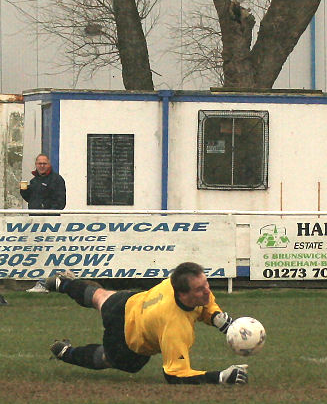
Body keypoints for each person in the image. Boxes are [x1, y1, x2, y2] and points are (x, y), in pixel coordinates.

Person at [46, 262, 249, 385]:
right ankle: (66, 353)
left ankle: (62, 283)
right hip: (126, 341)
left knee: (100, 296)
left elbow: (205, 302)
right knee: (109, 359)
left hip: (129, 302)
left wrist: (217, 318)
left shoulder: (177, 280)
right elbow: (175, 375)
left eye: (206, 284)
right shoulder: (175, 328)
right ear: (183, 294)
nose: (207, 291)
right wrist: (221, 377)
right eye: (200, 289)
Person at [21, 154, 67, 293]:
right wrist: (24, 192)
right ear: (36, 164)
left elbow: (60, 202)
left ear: (49, 164)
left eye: (44, 163)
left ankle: (46, 282)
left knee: (49, 252)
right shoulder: (34, 181)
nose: (42, 166)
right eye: (39, 163)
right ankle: (43, 282)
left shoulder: (56, 180)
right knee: (38, 252)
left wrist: (47, 211)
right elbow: (31, 200)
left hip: (49, 222)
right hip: (35, 222)